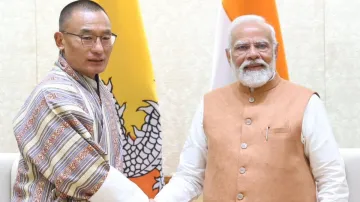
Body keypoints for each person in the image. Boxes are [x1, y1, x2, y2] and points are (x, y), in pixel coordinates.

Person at [154, 15, 349, 202]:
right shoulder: (209, 103)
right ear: (229, 55)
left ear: (275, 51)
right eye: (242, 47)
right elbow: (189, 176)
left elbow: (331, 178)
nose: (253, 54)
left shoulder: (306, 102)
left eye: (262, 45)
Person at [12, 1, 150, 201]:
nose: (99, 48)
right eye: (87, 38)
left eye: (105, 38)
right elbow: (90, 177)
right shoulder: (52, 95)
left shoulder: (100, 89)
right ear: (60, 40)